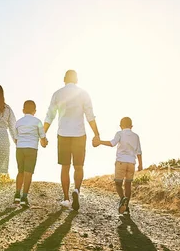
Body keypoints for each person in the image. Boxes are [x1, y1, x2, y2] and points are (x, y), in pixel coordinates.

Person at [44, 70, 100, 211]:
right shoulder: (83, 94)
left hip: (63, 134)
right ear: (77, 80)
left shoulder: (57, 94)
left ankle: (66, 198)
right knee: (79, 166)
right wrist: (96, 134)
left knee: (65, 167)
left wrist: (43, 134)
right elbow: (90, 116)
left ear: (64, 79)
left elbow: (49, 115)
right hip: (79, 134)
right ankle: (76, 190)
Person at [93, 116, 143, 215]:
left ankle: (122, 199)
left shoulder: (119, 133)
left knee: (118, 184)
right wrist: (140, 165)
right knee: (128, 185)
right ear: (131, 126)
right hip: (132, 163)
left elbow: (112, 143)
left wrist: (100, 142)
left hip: (121, 162)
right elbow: (139, 152)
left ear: (121, 126)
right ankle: (126, 207)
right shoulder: (136, 136)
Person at [14, 100, 48, 207]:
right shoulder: (37, 121)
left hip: (20, 148)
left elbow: (15, 138)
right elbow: (42, 137)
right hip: (32, 149)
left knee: (20, 172)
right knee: (28, 173)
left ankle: (17, 195)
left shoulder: (18, 122)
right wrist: (44, 143)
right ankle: (24, 197)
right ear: (35, 111)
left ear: (23, 110)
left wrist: (20, 142)